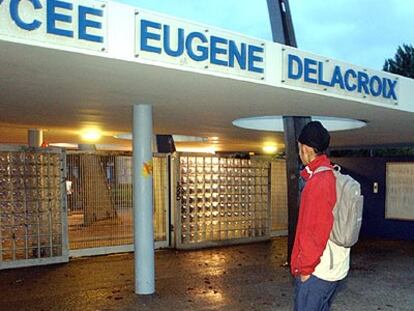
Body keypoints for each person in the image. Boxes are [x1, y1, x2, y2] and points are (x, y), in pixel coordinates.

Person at [291, 121, 350, 311]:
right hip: (333, 266)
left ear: (306, 148)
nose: (299, 152)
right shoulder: (331, 173)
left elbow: (314, 231)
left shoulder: (319, 181)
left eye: (299, 147)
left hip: (319, 270)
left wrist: (305, 269)